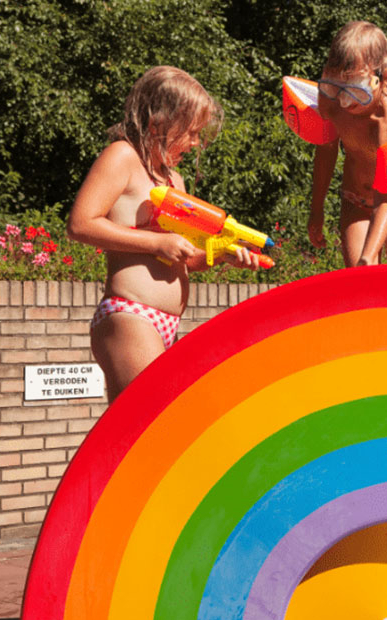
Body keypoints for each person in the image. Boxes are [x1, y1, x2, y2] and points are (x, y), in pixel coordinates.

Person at [67, 66, 259, 402]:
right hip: (131, 314)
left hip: (164, 323)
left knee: (138, 433)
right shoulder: (122, 156)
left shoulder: (174, 181)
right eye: (191, 132)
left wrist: (219, 254)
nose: (196, 142)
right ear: (160, 121)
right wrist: (157, 240)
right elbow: (81, 224)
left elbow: (180, 256)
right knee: (149, 423)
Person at [306, 20, 387, 267]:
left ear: (385, 78)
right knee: (361, 285)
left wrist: (369, 255)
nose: (344, 102)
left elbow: (385, 200)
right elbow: (326, 149)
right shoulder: (332, 98)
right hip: (356, 199)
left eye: (357, 90)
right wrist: (316, 210)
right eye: (335, 85)